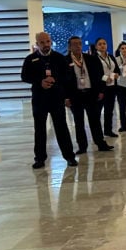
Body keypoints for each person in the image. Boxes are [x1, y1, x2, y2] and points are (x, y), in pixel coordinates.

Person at [20, 32, 77, 168]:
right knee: (39, 129)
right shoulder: (31, 59)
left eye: (47, 42)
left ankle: (69, 156)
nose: (45, 45)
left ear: (50, 42)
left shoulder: (59, 58)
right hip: (39, 99)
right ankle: (39, 158)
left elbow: (67, 75)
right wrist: (40, 81)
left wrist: (55, 80)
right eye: (42, 42)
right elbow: (25, 76)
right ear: (37, 43)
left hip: (56, 98)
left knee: (61, 127)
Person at [64, 36, 112, 154]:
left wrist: (101, 91)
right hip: (76, 95)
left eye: (80, 43)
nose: (78, 46)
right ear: (69, 47)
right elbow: (62, 81)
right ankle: (82, 146)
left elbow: (100, 75)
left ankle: (100, 143)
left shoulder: (91, 59)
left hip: (90, 93)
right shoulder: (64, 61)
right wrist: (65, 97)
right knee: (79, 122)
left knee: (95, 119)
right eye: (75, 44)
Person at [92, 38, 120, 137]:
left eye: (104, 43)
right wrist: (105, 78)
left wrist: (115, 75)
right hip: (101, 88)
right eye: (100, 44)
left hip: (112, 87)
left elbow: (117, 70)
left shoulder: (111, 57)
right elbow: (93, 73)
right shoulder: (94, 58)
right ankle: (97, 133)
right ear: (96, 46)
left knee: (109, 111)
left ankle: (108, 130)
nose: (102, 45)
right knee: (98, 112)